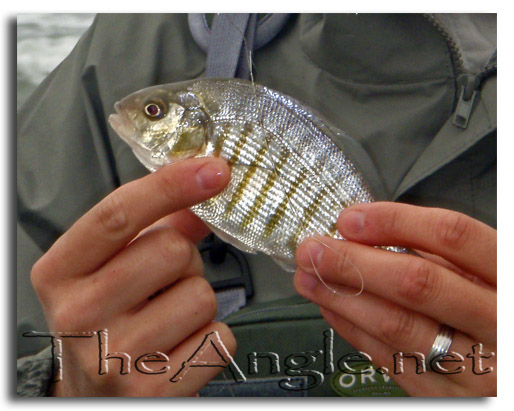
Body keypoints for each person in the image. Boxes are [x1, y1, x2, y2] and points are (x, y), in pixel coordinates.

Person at [17, 13, 496, 397]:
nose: (139, 115)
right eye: (155, 113)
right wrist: (59, 387)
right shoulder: (129, 44)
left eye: (154, 112)